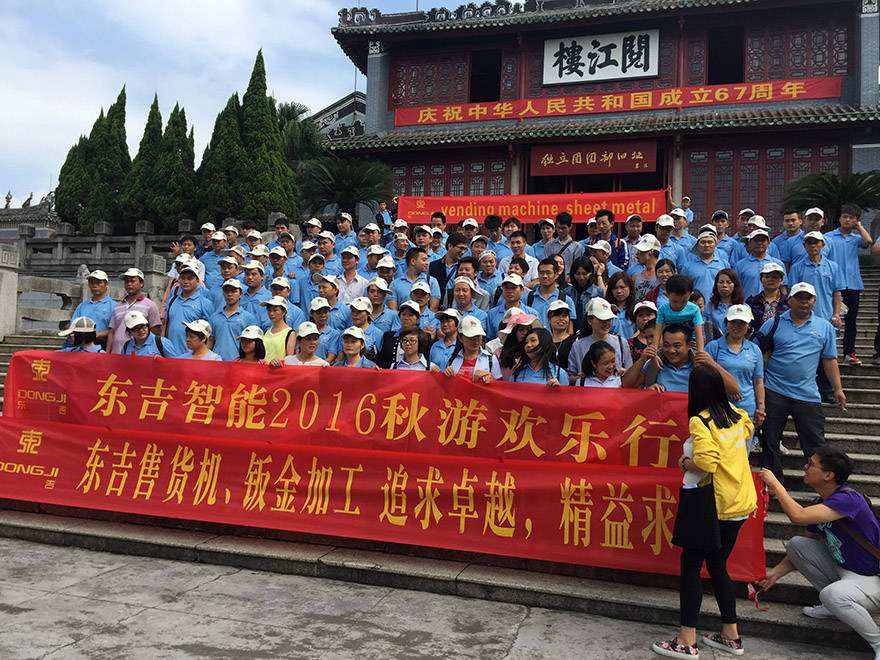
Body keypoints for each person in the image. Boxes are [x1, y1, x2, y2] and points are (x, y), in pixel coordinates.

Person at [652, 365, 757, 659]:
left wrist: (685, 463)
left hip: (714, 504)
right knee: (718, 565)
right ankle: (731, 635)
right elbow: (749, 430)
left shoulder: (701, 421)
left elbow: (707, 462)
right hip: (740, 502)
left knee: (690, 567)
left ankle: (686, 640)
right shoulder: (738, 415)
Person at [757, 446, 880, 660]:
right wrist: (775, 574)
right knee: (797, 544)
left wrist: (776, 484)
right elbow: (806, 546)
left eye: (811, 464)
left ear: (828, 475)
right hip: (846, 570)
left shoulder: (849, 499)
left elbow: (797, 515)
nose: (805, 467)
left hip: (872, 578)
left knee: (833, 595)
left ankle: (877, 641)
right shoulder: (821, 502)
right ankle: (834, 608)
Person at [759, 282, 845, 479]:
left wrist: (837, 388)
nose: (803, 302)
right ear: (789, 300)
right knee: (770, 442)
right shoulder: (774, 323)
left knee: (816, 445)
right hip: (774, 390)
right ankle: (773, 485)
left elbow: (830, 360)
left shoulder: (824, 327)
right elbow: (756, 351)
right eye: (799, 297)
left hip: (808, 394)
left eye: (808, 298)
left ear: (814, 301)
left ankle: (819, 482)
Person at [824, 203, 874, 365]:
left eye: (851, 218)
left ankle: (849, 353)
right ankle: (828, 353)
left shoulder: (856, 238)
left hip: (852, 284)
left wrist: (859, 227)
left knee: (851, 321)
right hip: (833, 285)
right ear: (839, 218)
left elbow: (869, 241)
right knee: (830, 319)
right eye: (844, 216)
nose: (847, 220)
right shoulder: (829, 237)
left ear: (856, 220)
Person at [706, 305, 765, 429]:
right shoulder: (713, 347)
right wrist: (727, 385)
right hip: (718, 408)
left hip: (746, 409)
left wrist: (761, 408)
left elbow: (758, 382)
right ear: (726, 323)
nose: (736, 326)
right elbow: (704, 376)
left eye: (742, 323)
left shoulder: (755, 350)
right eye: (732, 322)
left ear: (748, 325)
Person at [567, 297, 633, 381]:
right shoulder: (578, 345)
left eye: (609, 319)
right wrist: (578, 378)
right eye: (602, 319)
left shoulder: (621, 342)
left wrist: (625, 373)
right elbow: (570, 376)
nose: (606, 323)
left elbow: (630, 372)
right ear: (589, 320)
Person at [788, 231, 844, 325]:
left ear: (823, 245)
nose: (812, 246)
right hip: (802, 317)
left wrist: (836, 314)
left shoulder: (833, 267)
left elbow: (837, 293)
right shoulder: (796, 268)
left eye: (816, 242)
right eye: (809, 243)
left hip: (826, 315)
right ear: (804, 246)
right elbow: (792, 294)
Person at [652, 274, 704, 368]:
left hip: (691, 342)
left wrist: (700, 352)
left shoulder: (694, 309)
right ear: (666, 295)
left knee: (699, 365)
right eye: (675, 301)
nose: (679, 305)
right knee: (652, 363)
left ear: (690, 295)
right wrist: (654, 351)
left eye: (684, 301)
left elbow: (698, 333)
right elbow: (658, 331)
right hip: (669, 343)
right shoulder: (662, 309)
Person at [105, 268, 161, 354]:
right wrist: (107, 353)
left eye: (132, 281)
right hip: (116, 353)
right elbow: (112, 331)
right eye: (126, 281)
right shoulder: (118, 306)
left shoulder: (150, 305)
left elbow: (155, 331)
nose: (129, 284)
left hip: (138, 353)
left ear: (141, 283)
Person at [162, 264, 214, 358]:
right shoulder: (172, 300)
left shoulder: (205, 303)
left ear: (197, 281)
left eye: (190, 278)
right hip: (170, 354)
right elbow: (166, 325)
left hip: (192, 357)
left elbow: (209, 335)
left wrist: (203, 357)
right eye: (183, 278)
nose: (185, 281)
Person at [436, 316, 501, 382]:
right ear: (460, 338)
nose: (475, 340)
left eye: (478, 336)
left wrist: (491, 378)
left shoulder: (491, 359)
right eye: (470, 337)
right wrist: (447, 374)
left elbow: (499, 385)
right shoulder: (453, 359)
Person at [209, 279, 258, 361]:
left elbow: (253, 344)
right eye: (226, 291)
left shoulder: (248, 318)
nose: (229, 294)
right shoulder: (214, 317)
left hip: (238, 362)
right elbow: (210, 341)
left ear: (240, 294)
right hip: (216, 361)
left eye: (233, 291)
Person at [69, 269, 114, 349]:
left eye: (98, 283)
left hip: (102, 344)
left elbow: (114, 330)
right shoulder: (82, 306)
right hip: (80, 344)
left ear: (106, 284)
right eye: (92, 283)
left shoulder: (114, 306)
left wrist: (93, 335)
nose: (95, 285)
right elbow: (73, 325)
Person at [745, 262, 789, 336]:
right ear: (761, 280)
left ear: (781, 280)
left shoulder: (788, 302)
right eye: (767, 277)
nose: (770, 280)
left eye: (775, 277)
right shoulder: (752, 301)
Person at [564, 257, 605, 329]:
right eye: (578, 274)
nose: (581, 277)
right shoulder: (567, 292)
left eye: (584, 274)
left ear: (591, 273)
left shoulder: (598, 292)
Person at [543, 212, 584, 277]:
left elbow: (578, 268)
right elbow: (545, 264)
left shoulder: (577, 247)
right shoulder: (548, 245)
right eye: (558, 227)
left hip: (569, 280)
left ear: (570, 227)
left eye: (563, 228)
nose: (560, 230)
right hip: (552, 279)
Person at [260, 296, 296, 365]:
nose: (271, 313)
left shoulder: (290, 333)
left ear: (284, 312)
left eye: (275, 310)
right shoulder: (266, 332)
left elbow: (289, 359)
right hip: (264, 370)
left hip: (279, 370)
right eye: (269, 310)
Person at [630, 235, 661, 302]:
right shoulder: (636, 276)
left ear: (651, 252)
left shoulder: (662, 276)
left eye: (640, 250)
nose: (637, 253)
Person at [606, 271, 637, 339]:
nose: (619, 291)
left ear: (630, 287)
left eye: (622, 287)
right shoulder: (605, 308)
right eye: (615, 288)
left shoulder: (637, 308)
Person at [547, 300, 576, 371]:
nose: (561, 319)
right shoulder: (545, 342)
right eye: (556, 315)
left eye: (564, 316)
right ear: (549, 319)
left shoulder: (575, 341)